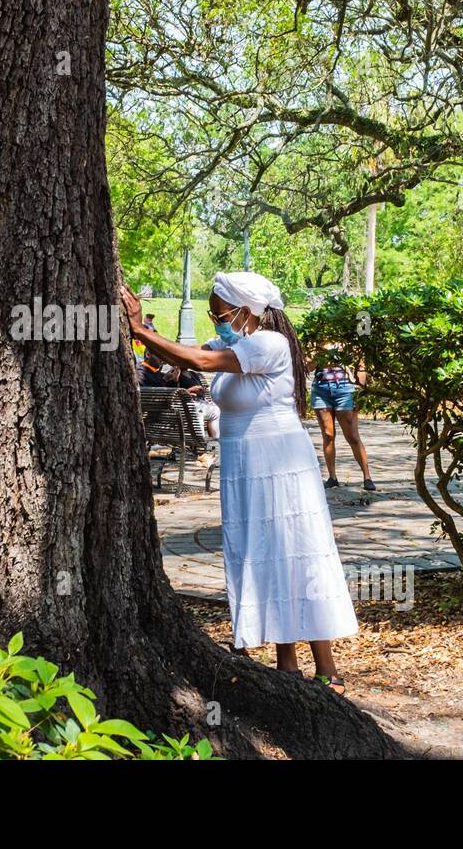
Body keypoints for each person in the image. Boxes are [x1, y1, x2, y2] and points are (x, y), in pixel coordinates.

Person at [123, 272, 357, 692]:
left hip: (278, 461)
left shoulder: (269, 344)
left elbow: (199, 363)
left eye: (219, 313)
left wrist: (139, 328)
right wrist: (142, 331)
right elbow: (187, 354)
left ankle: (328, 668)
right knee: (263, 551)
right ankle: (286, 663)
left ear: (244, 312)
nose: (216, 321)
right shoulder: (239, 341)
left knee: (295, 550)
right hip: (248, 461)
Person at [310, 342, 375, 491]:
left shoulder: (345, 335)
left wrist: (360, 390)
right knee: (328, 434)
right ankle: (332, 477)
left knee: (352, 436)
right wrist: (319, 354)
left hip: (345, 388)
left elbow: (361, 364)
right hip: (321, 389)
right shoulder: (315, 339)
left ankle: (367, 477)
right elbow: (309, 366)